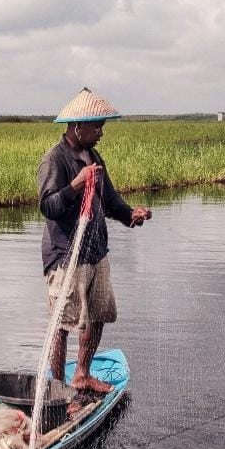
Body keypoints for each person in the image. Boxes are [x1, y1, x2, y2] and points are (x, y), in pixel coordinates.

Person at [38, 87, 151, 393]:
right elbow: (48, 207)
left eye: (102, 126)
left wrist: (131, 215)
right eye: (97, 127)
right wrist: (76, 184)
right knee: (63, 323)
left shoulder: (93, 156)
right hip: (66, 256)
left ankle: (82, 374)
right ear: (78, 126)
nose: (101, 132)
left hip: (96, 252)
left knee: (98, 314)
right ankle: (58, 390)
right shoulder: (55, 160)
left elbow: (110, 200)